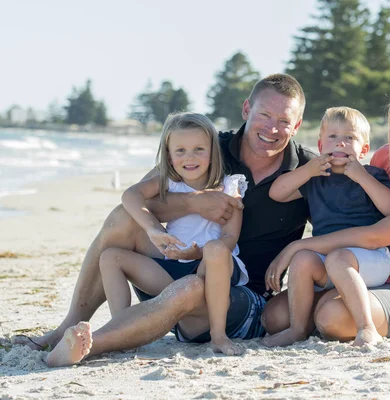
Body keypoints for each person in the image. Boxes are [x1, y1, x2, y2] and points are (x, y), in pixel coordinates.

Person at [13, 73, 317, 367]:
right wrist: (193, 202)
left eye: (283, 121)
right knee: (122, 219)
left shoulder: (308, 169)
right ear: (247, 109)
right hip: (173, 268)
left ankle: (91, 344)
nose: (272, 129)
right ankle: (68, 326)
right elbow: (141, 196)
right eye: (265, 115)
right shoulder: (207, 146)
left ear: (297, 125)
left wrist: (293, 253)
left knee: (189, 287)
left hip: (237, 294)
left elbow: (345, 226)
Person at [261, 82, 390, 346]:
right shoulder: (386, 158)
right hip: (368, 273)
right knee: (275, 317)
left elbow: (374, 236)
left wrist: (297, 246)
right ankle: (313, 318)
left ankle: (351, 321)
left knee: (331, 317)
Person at [100, 112, 249, 356]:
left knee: (215, 249)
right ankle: (123, 331)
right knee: (110, 257)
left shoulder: (229, 185)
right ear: (168, 154)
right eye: (180, 150)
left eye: (198, 149)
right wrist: (154, 229)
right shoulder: (168, 181)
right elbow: (130, 195)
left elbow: (230, 238)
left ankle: (218, 335)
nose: (189, 157)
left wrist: (198, 252)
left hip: (212, 268)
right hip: (175, 267)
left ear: (213, 151)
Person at [261, 106, 390, 347]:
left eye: (350, 138)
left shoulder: (371, 174)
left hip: (371, 259)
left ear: (364, 149)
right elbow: (277, 193)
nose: (341, 143)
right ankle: (297, 328)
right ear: (320, 144)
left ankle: (366, 328)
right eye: (333, 137)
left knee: (339, 258)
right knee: (303, 258)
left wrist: (362, 178)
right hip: (328, 258)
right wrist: (308, 169)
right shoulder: (316, 179)